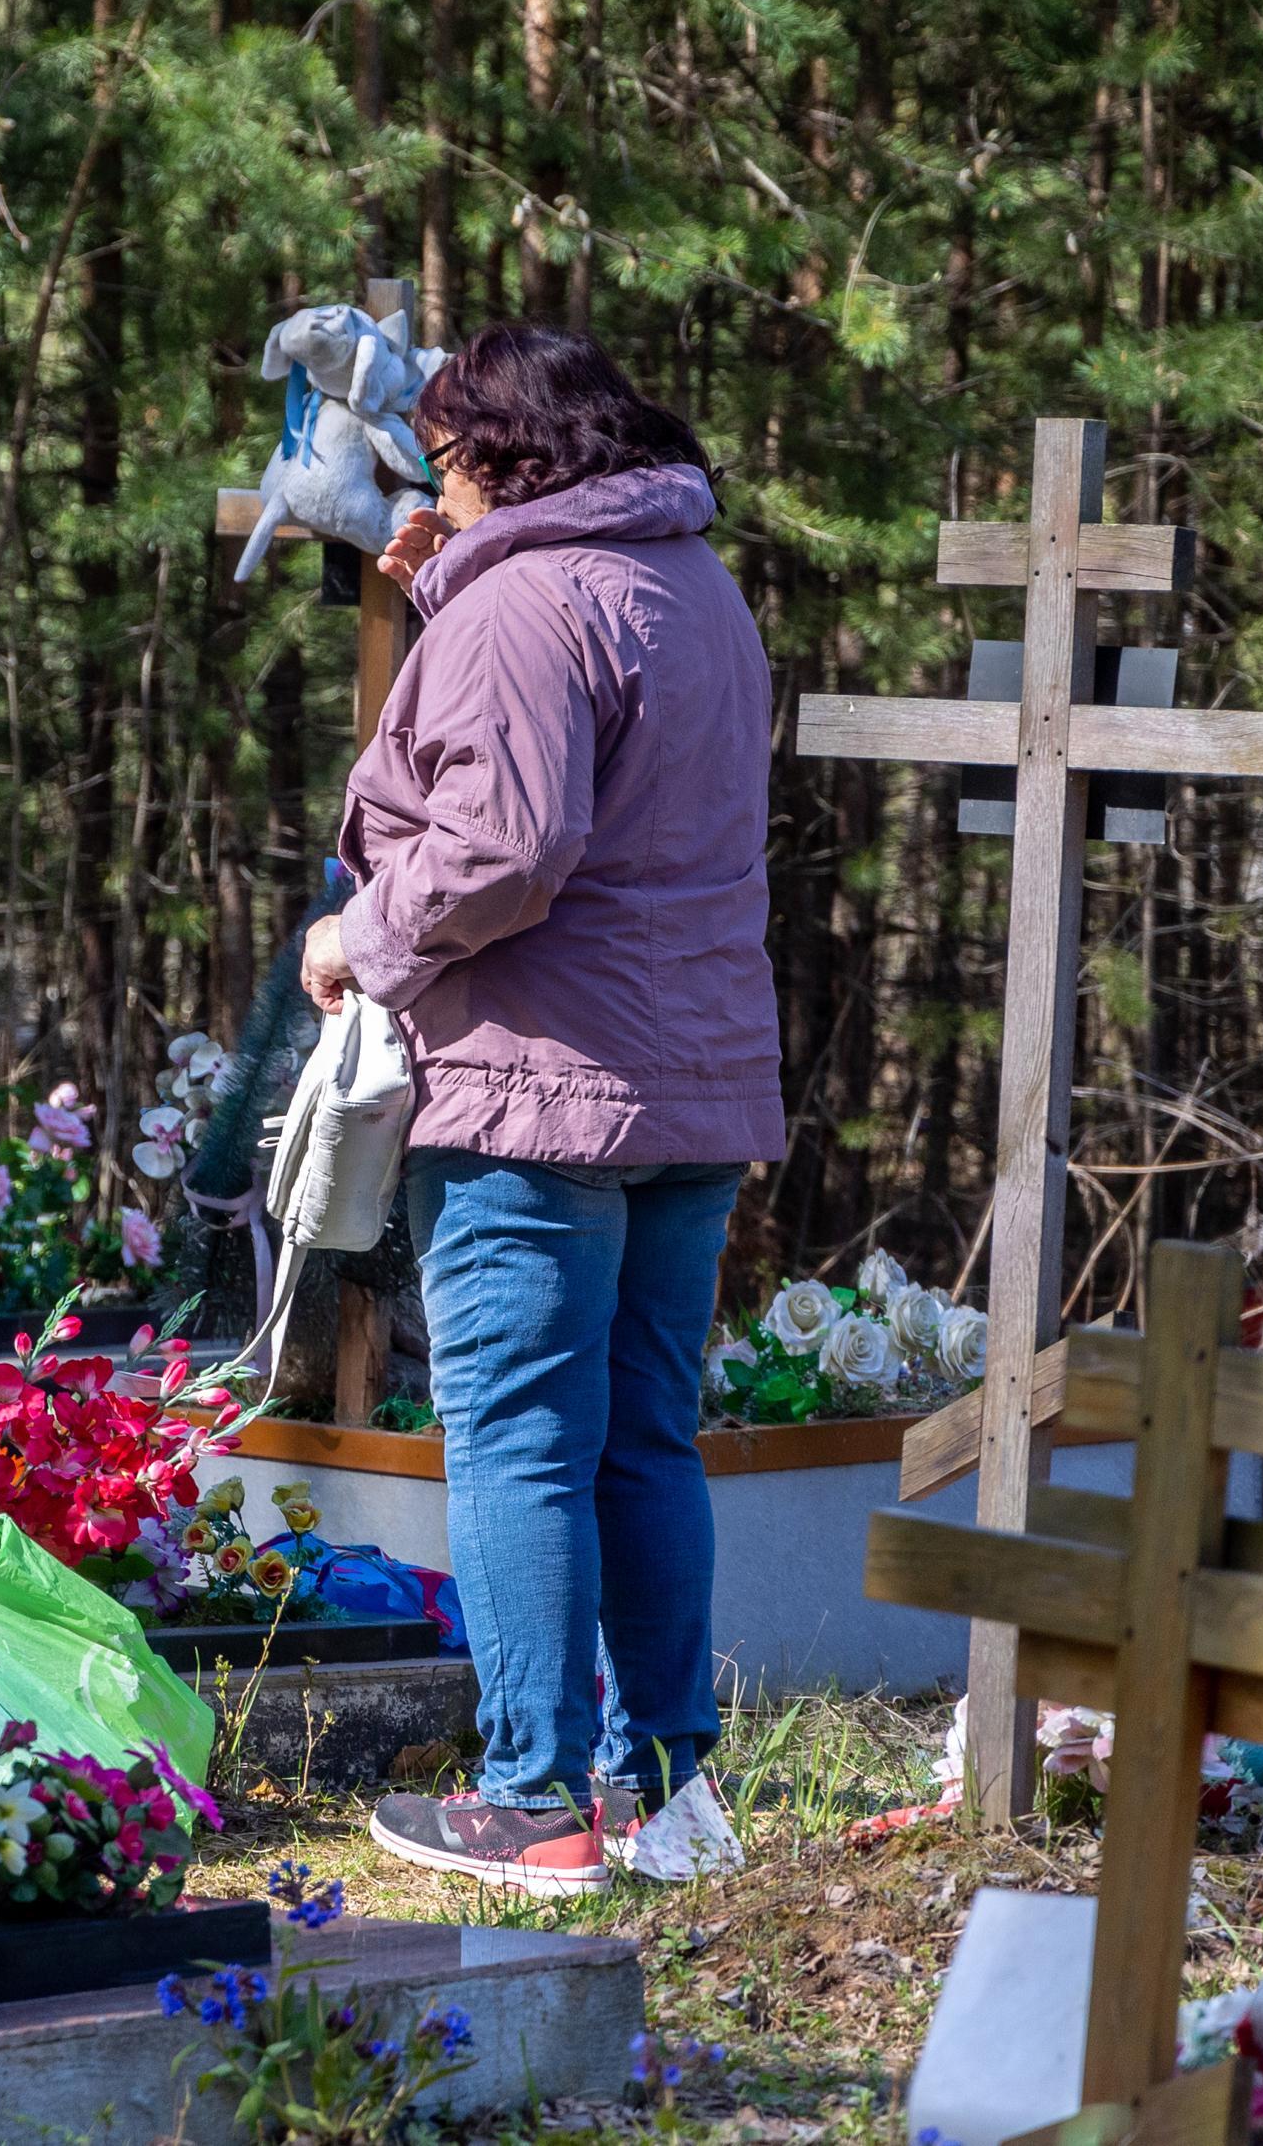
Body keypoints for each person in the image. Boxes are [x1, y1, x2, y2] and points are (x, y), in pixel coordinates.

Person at [299, 322, 783, 1893]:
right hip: (691, 1087)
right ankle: (671, 1790)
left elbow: (505, 845)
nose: (430, 489)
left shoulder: (524, 600)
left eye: (444, 458)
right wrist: (454, 572)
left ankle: (529, 1797)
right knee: (647, 1436)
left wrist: (356, 937)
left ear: (502, 455)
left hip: (529, 1089)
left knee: (514, 1438)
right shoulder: (697, 589)